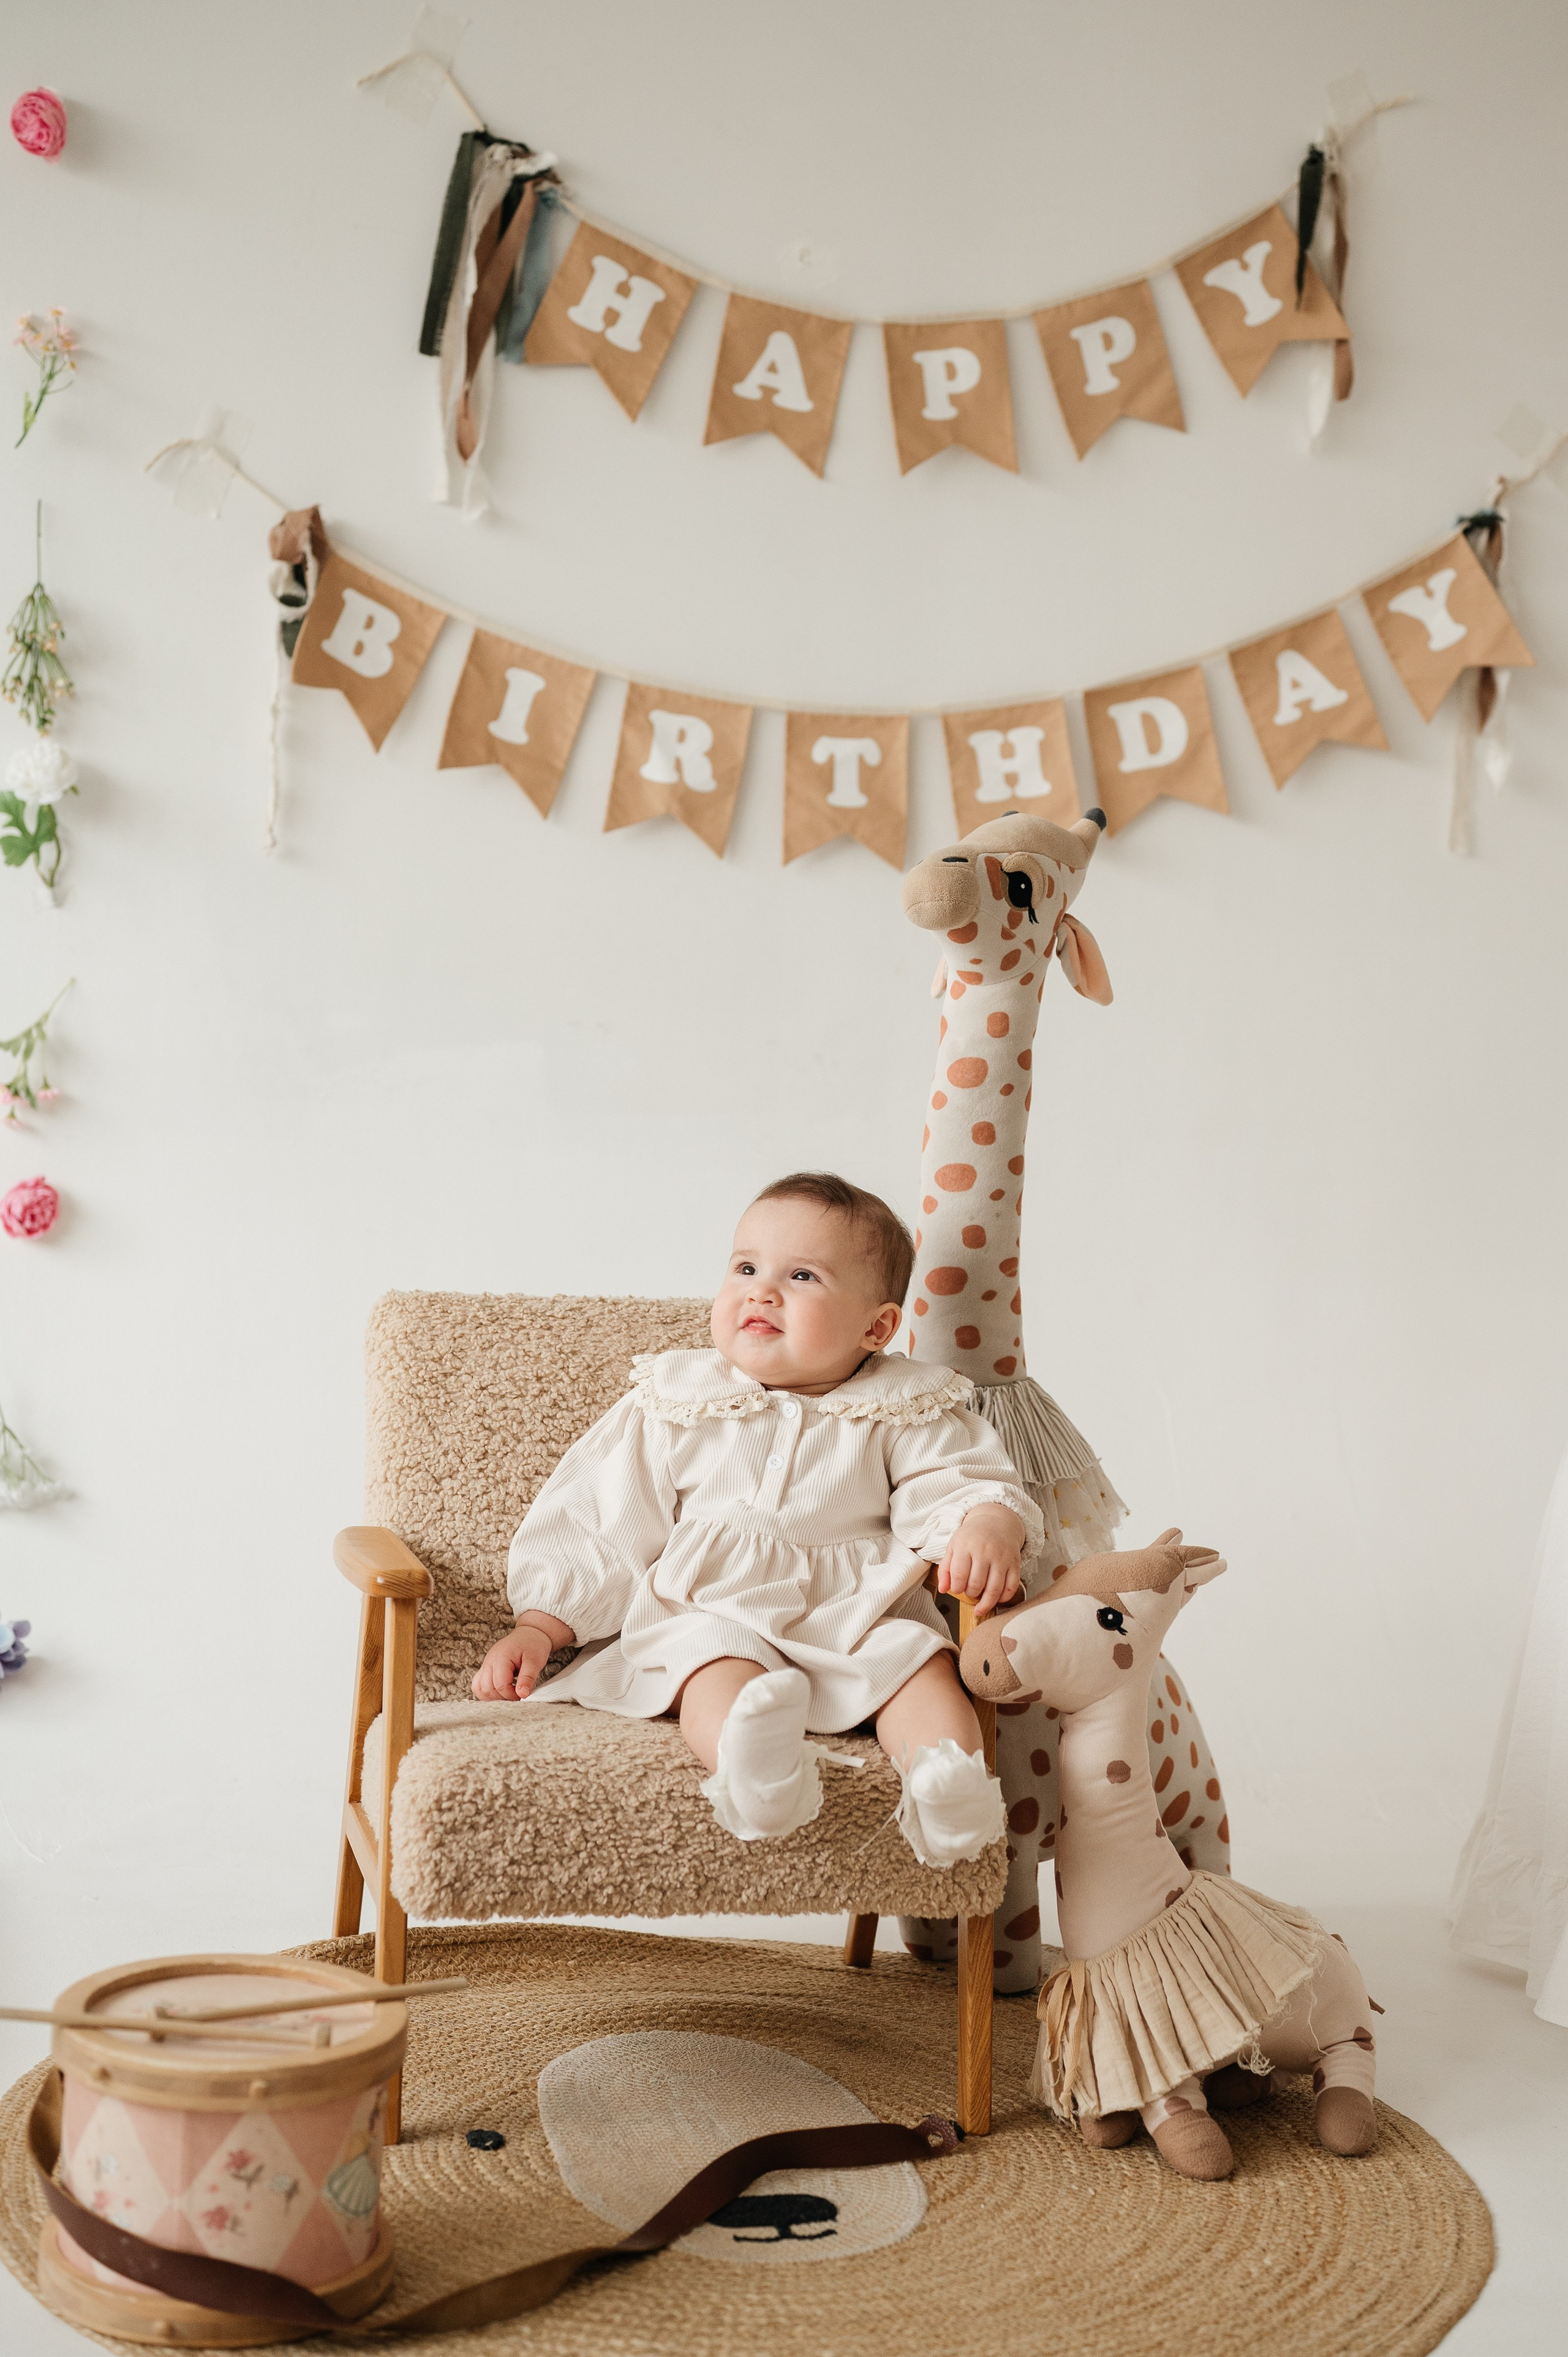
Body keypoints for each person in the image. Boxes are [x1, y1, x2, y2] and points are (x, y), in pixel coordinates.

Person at [473, 1171, 1041, 1864]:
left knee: (920, 1663)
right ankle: (753, 1772)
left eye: (801, 1275)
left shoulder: (902, 1403)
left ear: (877, 1325)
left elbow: (955, 1476)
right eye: (745, 1266)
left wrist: (986, 1520)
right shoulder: (683, 1397)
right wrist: (541, 1623)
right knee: (711, 1659)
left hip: (855, 1615)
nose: (760, 1290)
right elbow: (607, 1511)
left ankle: (949, 1786)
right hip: (716, 1606)